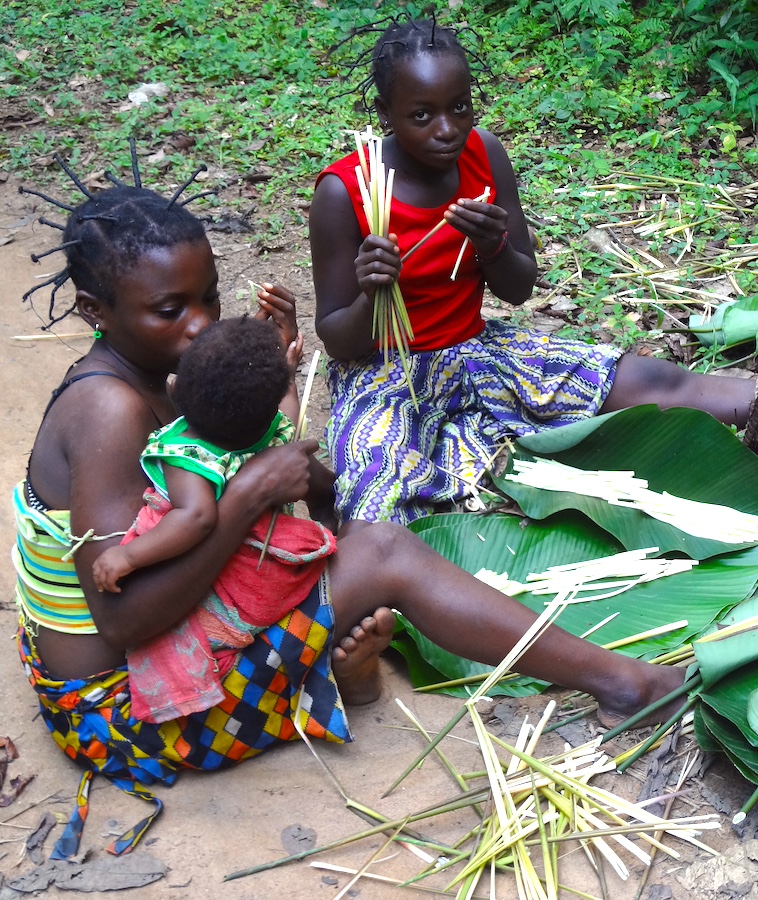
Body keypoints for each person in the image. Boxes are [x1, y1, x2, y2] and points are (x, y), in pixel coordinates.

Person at [13, 168, 682, 859]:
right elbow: (123, 620)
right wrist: (248, 499)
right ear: (96, 311)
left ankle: (338, 663)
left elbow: (223, 470)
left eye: (208, 298)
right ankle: (625, 686)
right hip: (128, 714)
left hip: (150, 663)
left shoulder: (149, 377)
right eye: (170, 310)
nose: (201, 324)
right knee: (384, 552)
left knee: (347, 522)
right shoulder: (107, 411)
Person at [309, 18, 758, 527]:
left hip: (478, 352)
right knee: (378, 501)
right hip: (386, 372)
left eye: (459, 107)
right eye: (421, 115)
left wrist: (492, 245)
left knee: (651, 381)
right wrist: (374, 294)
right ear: (385, 113)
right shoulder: (346, 192)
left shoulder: (483, 153)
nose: (447, 129)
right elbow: (337, 340)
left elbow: (518, 288)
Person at [91, 315, 338, 726]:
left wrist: (130, 556)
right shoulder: (272, 431)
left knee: (196, 633)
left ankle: (214, 671)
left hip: (233, 590)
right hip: (277, 575)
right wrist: (285, 377)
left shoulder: (187, 454)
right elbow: (288, 414)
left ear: (176, 392)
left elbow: (197, 518)